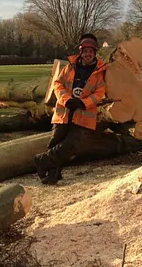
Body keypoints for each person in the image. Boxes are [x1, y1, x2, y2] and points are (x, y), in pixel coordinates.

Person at [34, 33, 107, 185]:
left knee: (72, 145)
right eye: (85, 51)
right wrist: (66, 100)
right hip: (64, 111)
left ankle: (42, 160)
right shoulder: (69, 67)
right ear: (81, 51)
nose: (88, 54)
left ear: (94, 52)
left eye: (91, 51)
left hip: (83, 114)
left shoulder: (99, 71)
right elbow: (57, 84)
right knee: (56, 141)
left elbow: (99, 93)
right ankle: (53, 174)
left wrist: (83, 103)